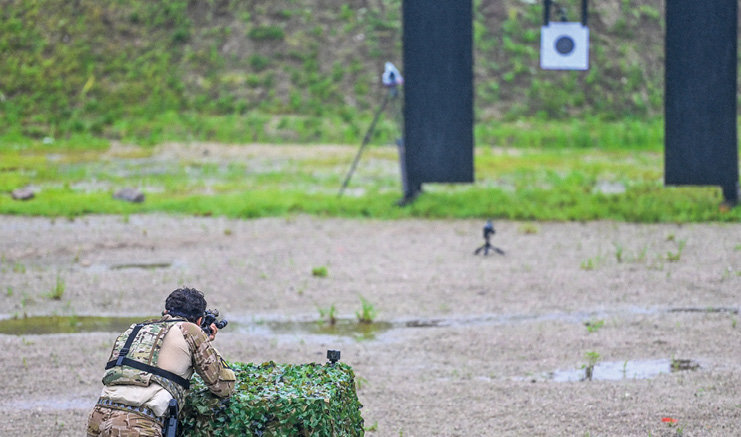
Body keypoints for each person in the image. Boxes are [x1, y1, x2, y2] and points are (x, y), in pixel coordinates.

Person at [87, 287, 236, 436]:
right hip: (138, 424)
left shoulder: (134, 330)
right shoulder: (190, 331)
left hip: (98, 418)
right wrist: (205, 342)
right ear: (199, 320)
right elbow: (223, 386)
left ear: (165, 313)